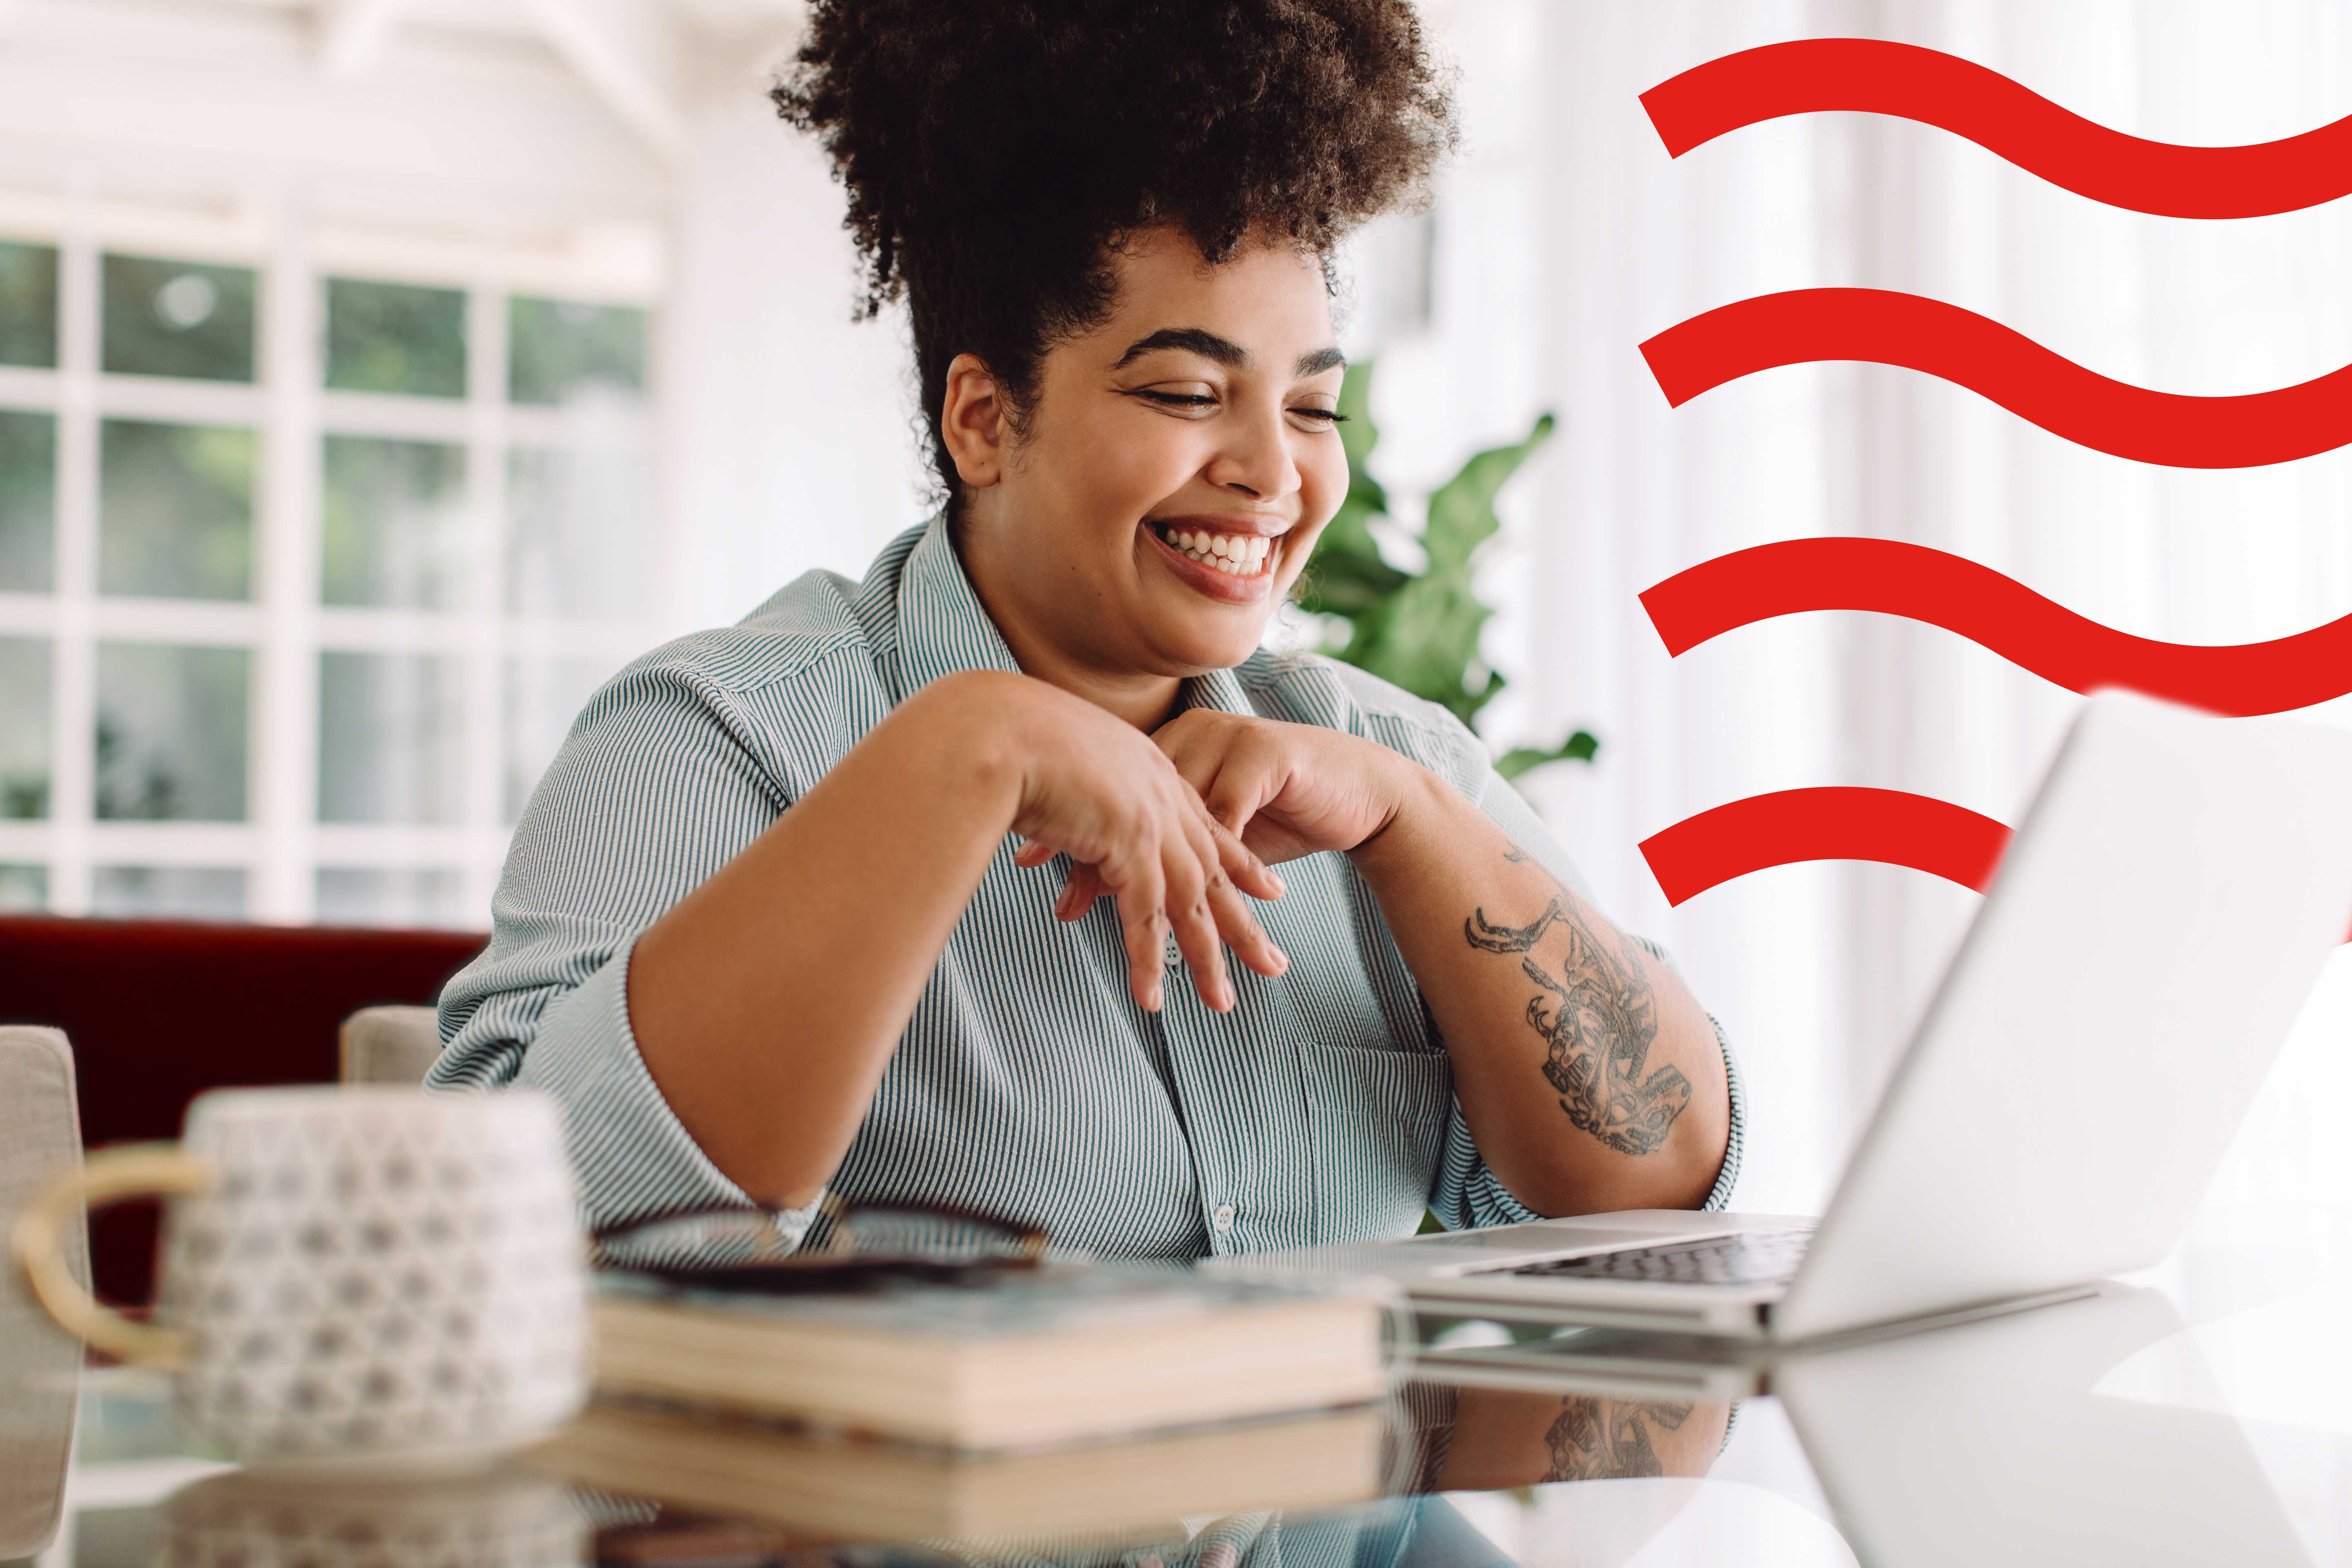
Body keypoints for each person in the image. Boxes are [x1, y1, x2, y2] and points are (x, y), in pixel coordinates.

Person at [433, 0, 1740, 1256]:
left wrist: (1415, 830)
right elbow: (499, 1237)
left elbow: (1658, 1191)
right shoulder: (719, 739)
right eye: (1186, 391)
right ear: (985, 420)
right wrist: (964, 751)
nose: (1273, 475)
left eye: (1312, 408)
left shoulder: (1382, 766)